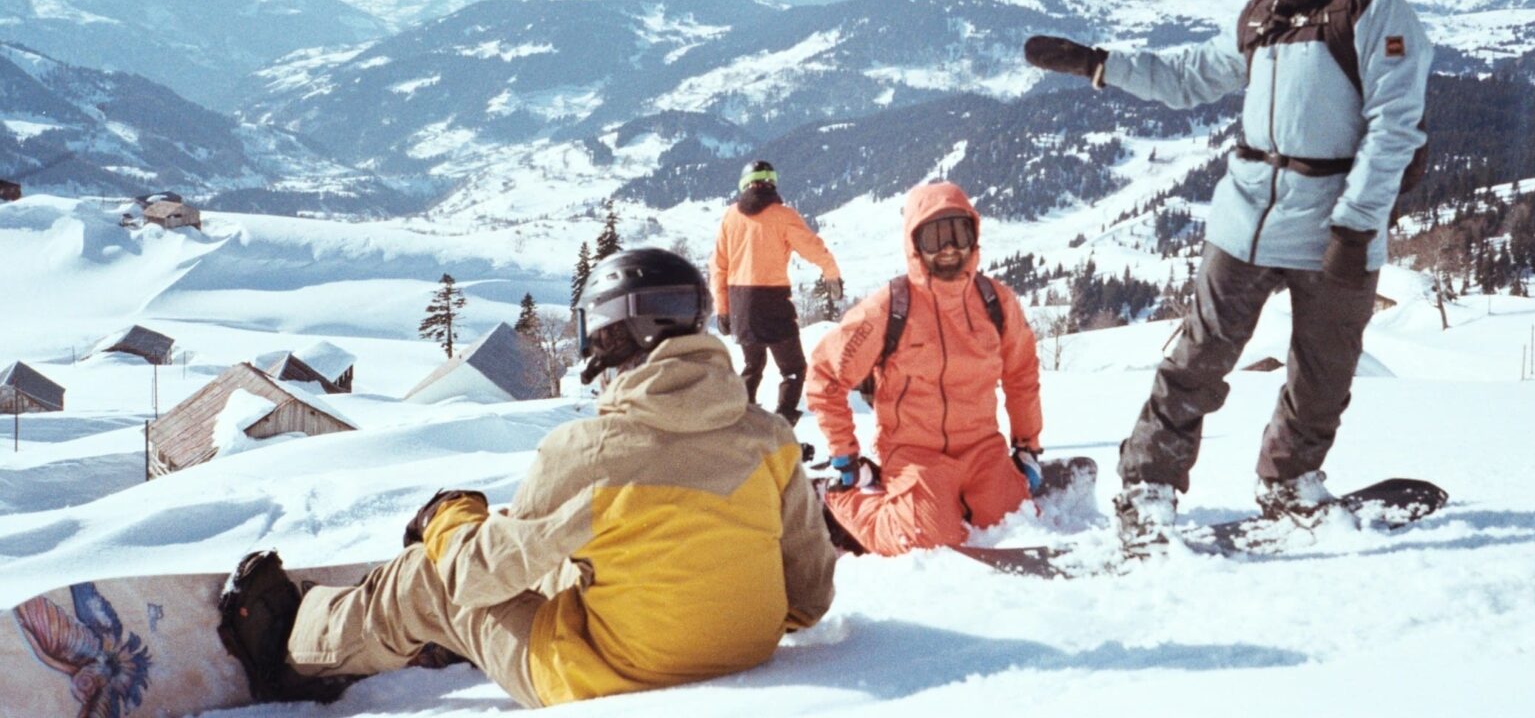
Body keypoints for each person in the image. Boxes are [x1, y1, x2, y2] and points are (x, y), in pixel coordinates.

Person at [217, 247, 836, 708]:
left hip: (603, 680)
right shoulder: (769, 438)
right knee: (556, 555)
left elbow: (473, 575)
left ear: (620, 331)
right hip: (743, 656)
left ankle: (296, 653)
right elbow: (807, 598)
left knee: (433, 575)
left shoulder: (592, 450)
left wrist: (448, 518)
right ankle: (432, 637)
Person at [1023, 0, 1432, 549]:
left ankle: (1290, 482)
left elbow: (1397, 127)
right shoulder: (1265, 13)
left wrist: (1357, 226)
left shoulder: (1371, 11)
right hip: (1244, 219)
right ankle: (1148, 485)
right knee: (1198, 360)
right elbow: (1189, 76)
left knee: (1322, 374)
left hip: (1336, 229)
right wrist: (1100, 64)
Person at [804, 181, 1044, 556]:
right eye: (934, 237)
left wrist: (1027, 445)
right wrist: (843, 454)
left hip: (983, 449)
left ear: (974, 237)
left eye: (958, 233)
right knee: (926, 541)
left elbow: (1022, 374)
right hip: (915, 452)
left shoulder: (996, 302)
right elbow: (826, 376)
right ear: (915, 245)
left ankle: (966, 499)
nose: (949, 248)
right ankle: (843, 503)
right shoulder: (889, 307)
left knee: (1016, 525)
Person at [711, 159, 843, 424]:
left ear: (744, 184)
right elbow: (813, 247)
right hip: (772, 301)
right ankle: (783, 422)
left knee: (752, 366)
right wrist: (832, 273)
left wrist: (723, 309)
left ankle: (740, 421)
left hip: (741, 304)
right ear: (772, 183)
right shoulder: (784, 215)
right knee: (793, 369)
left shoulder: (730, 216)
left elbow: (718, 266)